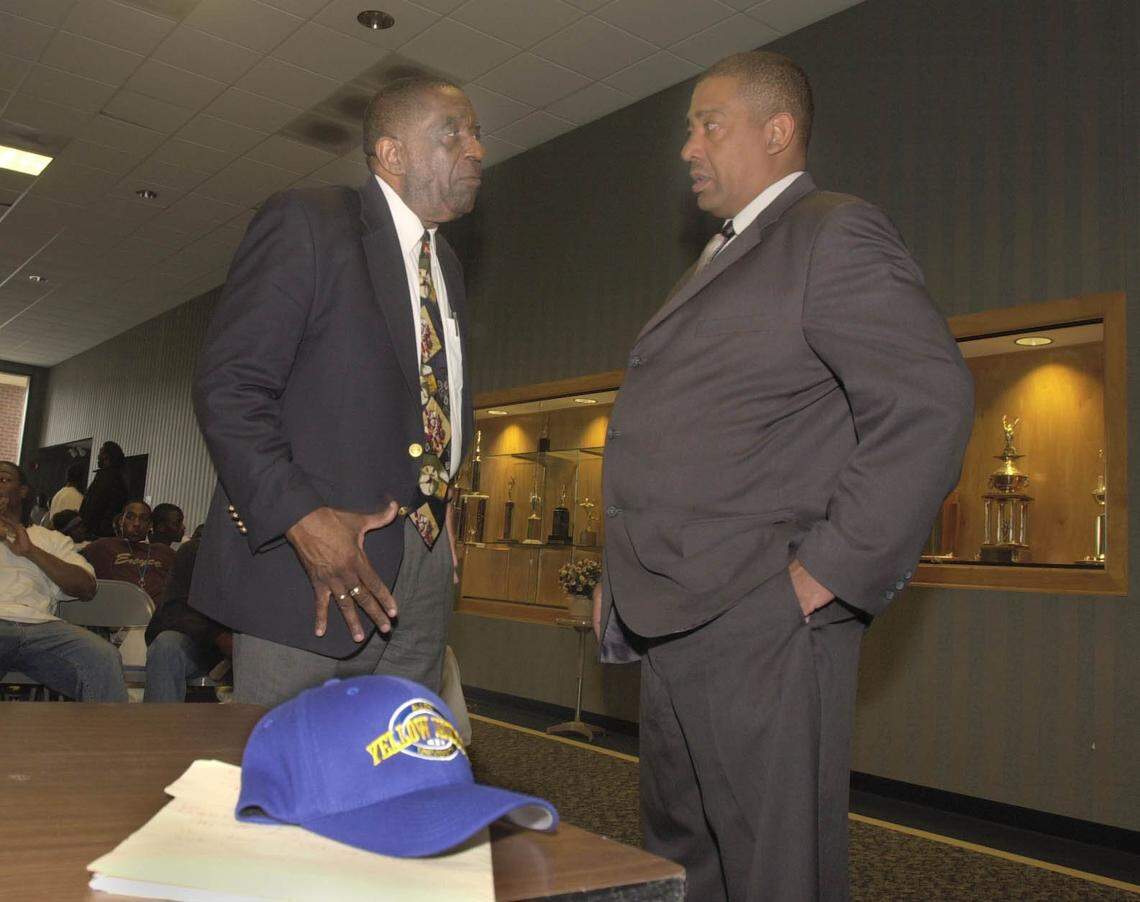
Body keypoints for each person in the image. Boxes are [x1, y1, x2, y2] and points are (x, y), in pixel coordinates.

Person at [593, 51, 974, 902]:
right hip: (676, 618)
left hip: (759, 619)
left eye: (707, 124)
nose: (688, 147)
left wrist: (825, 573)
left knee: (773, 873)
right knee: (687, 860)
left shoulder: (831, 231)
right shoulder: (724, 256)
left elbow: (930, 402)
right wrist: (623, 570)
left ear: (777, 131)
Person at [191, 76, 483, 707]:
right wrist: (301, 519)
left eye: (477, 133)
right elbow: (230, 388)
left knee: (396, 776)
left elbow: (426, 397)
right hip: (310, 573)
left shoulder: (447, 266)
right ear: (393, 154)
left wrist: (442, 491)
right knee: (285, 786)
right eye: (453, 133)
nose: (476, 149)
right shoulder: (309, 221)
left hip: (423, 566)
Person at [0, 461, 127, 702]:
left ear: (24, 491)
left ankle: (109, 739)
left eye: (4, 479)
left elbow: (87, 588)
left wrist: (31, 552)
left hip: (42, 629)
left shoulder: (50, 538)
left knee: (103, 657)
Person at [143, 527, 232, 702]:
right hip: (205, 641)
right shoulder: (195, 551)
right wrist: (219, 636)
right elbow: (173, 611)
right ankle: (158, 726)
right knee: (166, 647)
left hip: (257, 645)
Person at [82, 501, 177, 603]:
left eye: (143, 519)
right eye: (130, 517)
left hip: (157, 613)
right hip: (116, 609)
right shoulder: (102, 546)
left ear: (150, 525)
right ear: (120, 521)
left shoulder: (164, 552)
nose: (137, 523)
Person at [79, 441, 129, 538]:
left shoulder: (106, 478)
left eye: (100, 453)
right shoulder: (119, 478)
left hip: (96, 534)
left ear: (106, 456)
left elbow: (94, 506)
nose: (98, 457)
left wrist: (86, 529)